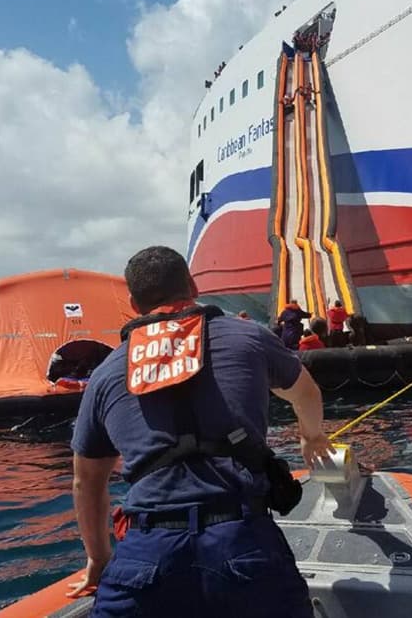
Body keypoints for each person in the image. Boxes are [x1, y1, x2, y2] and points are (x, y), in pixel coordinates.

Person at [67, 246, 332, 617]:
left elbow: (87, 481)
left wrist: (98, 558)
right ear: (191, 284)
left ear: (133, 304)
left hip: (146, 552)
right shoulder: (249, 337)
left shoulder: (106, 373)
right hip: (242, 542)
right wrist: (311, 436)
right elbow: (306, 393)